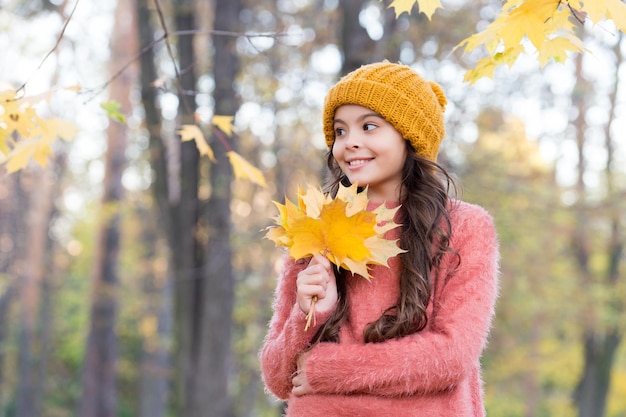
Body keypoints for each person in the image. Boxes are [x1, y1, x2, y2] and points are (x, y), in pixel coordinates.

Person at [260, 61, 499, 417]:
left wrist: (329, 369)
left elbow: (452, 356)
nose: (350, 143)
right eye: (340, 132)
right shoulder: (317, 227)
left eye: (369, 126)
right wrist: (307, 313)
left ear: (409, 135)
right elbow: (279, 378)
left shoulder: (463, 226)